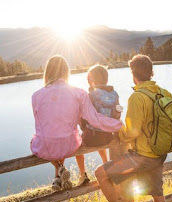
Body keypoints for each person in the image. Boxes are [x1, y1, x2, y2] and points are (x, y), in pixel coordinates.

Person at [92, 54, 171, 202]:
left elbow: (131, 132)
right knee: (158, 195)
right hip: (159, 154)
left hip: (141, 158)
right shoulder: (163, 92)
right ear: (151, 72)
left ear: (133, 75)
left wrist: (119, 132)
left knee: (100, 174)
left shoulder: (137, 96)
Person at [31, 55, 123, 192]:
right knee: (67, 136)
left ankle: (58, 168)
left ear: (47, 72)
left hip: (45, 148)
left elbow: (39, 126)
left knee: (37, 140)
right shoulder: (78, 93)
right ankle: (60, 170)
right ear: (66, 71)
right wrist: (117, 124)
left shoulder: (36, 95)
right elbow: (94, 119)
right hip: (70, 145)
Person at [75, 64, 122, 186]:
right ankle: (106, 163)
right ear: (106, 80)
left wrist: (83, 128)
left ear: (91, 81)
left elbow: (83, 118)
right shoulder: (114, 94)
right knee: (100, 130)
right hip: (108, 136)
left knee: (76, 142)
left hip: (92, 138)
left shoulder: (89, 95)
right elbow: (117, 115)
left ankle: (82, 174)